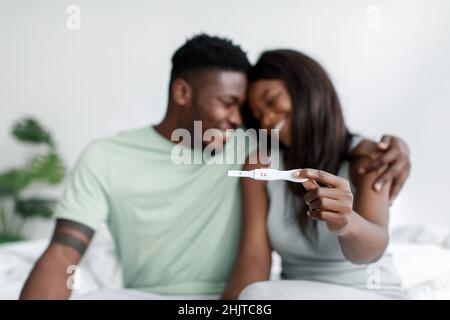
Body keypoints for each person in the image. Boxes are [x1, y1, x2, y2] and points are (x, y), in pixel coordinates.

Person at [20, 35, 410, 300]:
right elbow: (62, 254)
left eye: (250, 109)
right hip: (164, 296)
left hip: (262, 295)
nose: (243, 119)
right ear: (182, 92)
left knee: (259, 297)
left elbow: (366, 241)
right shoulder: (108, 156)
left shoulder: (256, 145)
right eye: (229, 104)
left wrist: (397, 151)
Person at [222, 49, 408, 300]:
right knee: (254, 295)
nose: (265, 118)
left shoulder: (368, 158)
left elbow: (370, 251)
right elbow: (254, 257)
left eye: (270, 100)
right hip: (297, 292)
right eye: (257, 114)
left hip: (367, 292)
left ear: (305, 89)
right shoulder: (259, 165)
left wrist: (347, 223)